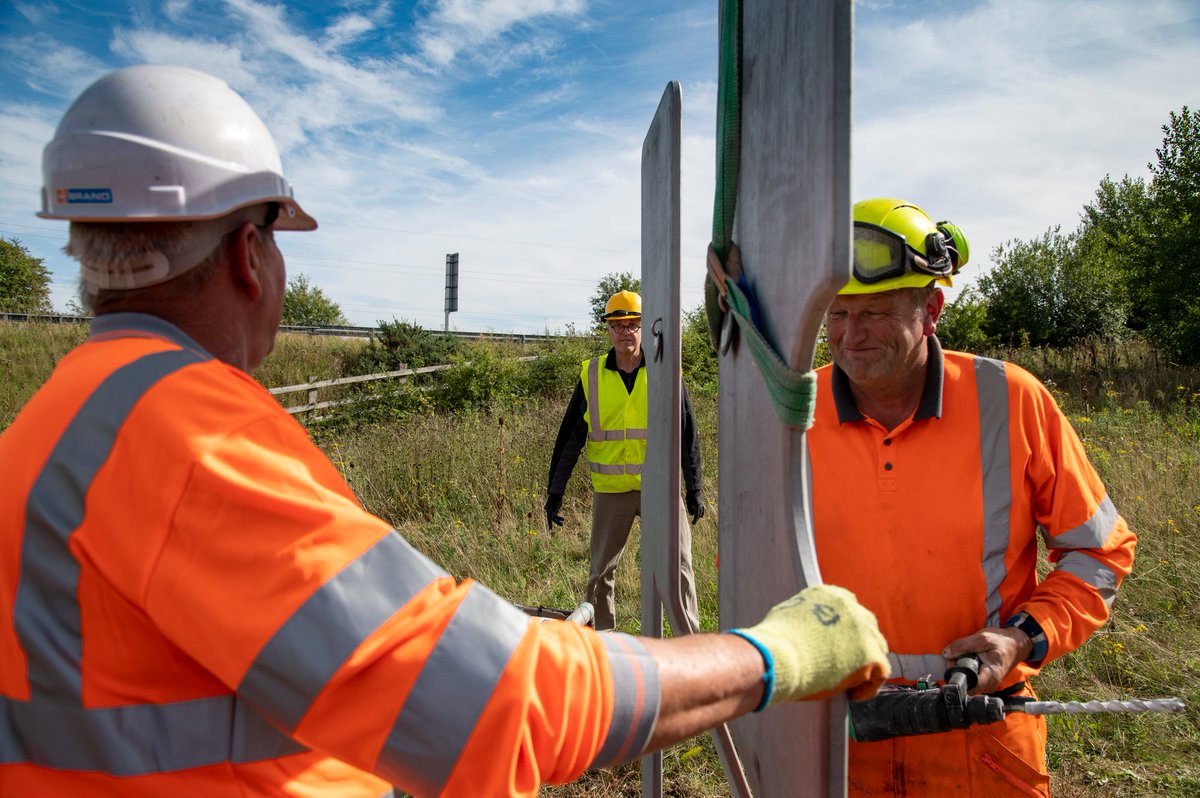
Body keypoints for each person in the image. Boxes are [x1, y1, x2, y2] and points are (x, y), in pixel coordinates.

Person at [0, 64, 891, 798]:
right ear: (248, 253)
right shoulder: (184, 434)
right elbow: (491, 703)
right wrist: (772, 654)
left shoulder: (53, 424)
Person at [805, 197, 1138, 796]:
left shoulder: (1010, 401)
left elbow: (1099, 553)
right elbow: (756, 571)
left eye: (876, 313)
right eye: (838, 314)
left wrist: (1021, 638)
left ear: (930, 308)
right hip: (834, 741)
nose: (851, 336)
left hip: (981, 744)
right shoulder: (794, 416)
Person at [545, 290, 705, 632]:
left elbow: (686, 430)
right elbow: (569, 436)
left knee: (679, 568)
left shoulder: (665, 370)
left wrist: (694, 488)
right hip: (611, 492)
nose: (625, 332)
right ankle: (603, 650)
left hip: (661, 489)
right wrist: (554, 491)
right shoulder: (592, 375)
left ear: (644, 329)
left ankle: (690, 645)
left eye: (633, 324)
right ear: (608, 330)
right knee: (600, 572)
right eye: (618, 325)